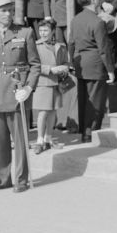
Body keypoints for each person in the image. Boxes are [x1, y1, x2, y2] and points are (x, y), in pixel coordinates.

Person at [0, 0, 41, 193]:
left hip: (16, 91)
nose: (8, 13)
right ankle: (2, 178)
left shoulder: (25, 33)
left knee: (20, 140)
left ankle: (21, 179)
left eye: (10, 9)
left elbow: (35, 65)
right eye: (3, 10)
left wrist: (29, 87)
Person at [69, 0, 115, 143]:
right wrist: (110, 70)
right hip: (95, 64)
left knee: (83, 99)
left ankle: (84, 132)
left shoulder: (75, 19)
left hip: (80, 62)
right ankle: (92, 133)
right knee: (95, 101)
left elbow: (71, 43)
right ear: (92, 0)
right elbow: (104, 49)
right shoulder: (97, 21)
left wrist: (71, 62)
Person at [32, 20, 69, 154]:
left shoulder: (61, 46)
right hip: (43, 82)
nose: (43, 33)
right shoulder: (35, 46)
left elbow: (66, 62)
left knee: (53, 111)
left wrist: (64, 68)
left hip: (56, 83)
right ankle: (39, 140)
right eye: (41, 30)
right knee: (43, 112)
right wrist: (50, 69)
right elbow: (32, 65)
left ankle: (48, 138)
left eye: (46, 30)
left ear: (53, 31)